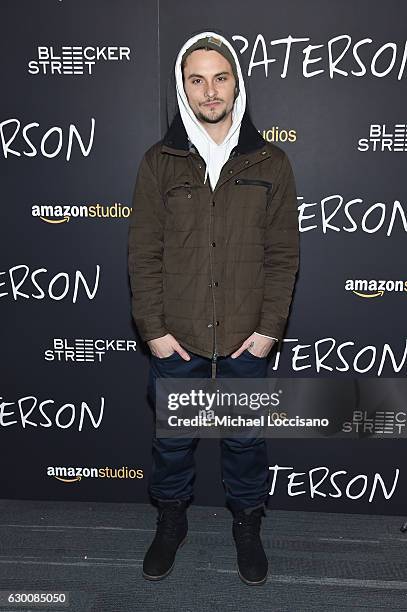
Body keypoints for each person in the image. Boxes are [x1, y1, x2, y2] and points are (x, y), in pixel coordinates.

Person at [128, 29, 299, 585]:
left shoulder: (271, 162)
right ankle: (170, 521)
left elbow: (283, 255)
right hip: (176, 340)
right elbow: (143, 252)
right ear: (183, 88)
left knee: (245, 444)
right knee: (173, 445)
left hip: (247, 339)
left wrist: (269, 329)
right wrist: (152, 330)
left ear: (236, 84)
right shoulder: (160, 163)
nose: (209, 92)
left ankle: (247, 525)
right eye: (196, 80)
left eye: (219, 78)